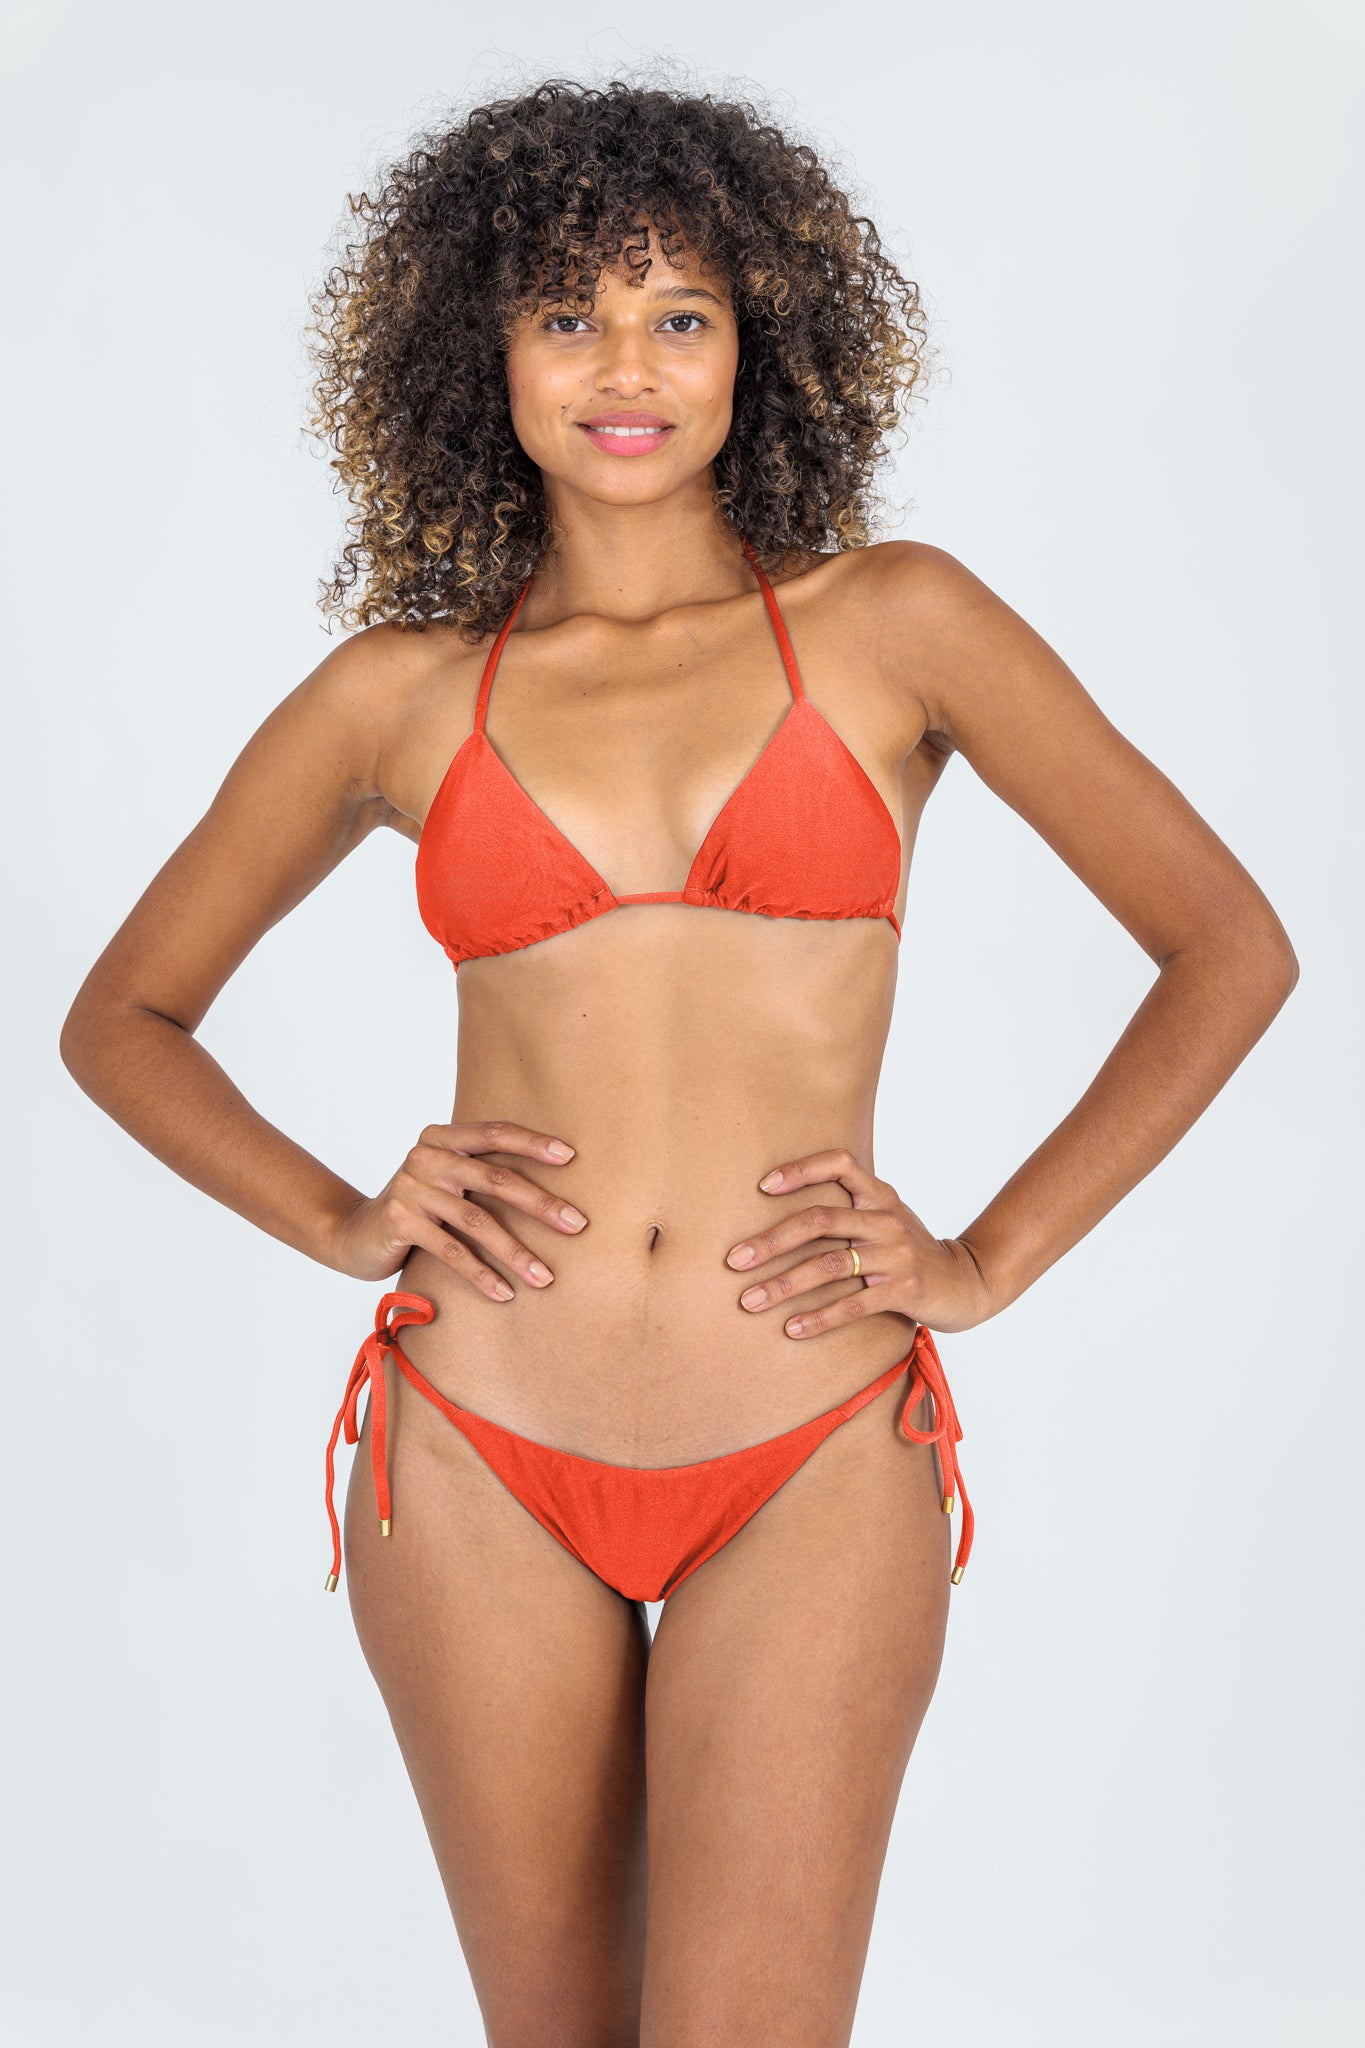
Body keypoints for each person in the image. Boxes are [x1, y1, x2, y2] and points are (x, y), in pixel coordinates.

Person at [59, 77, 1298, 2048]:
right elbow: (121, 1017)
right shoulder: (400, 692)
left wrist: (986, 1257)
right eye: (566, 314)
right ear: (481, 350)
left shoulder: (894, 623)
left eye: (678, 315)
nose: (624, 366)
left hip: (809, 1438)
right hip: (476, 1443)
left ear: (755, 346)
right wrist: (341, 1213)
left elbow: (1226, 946)